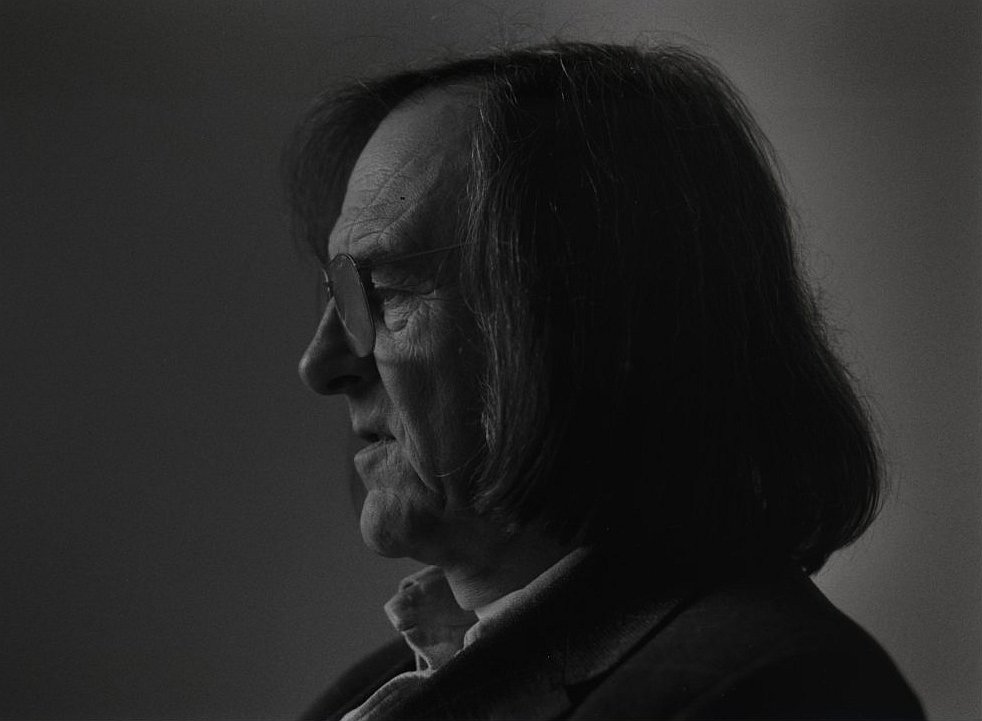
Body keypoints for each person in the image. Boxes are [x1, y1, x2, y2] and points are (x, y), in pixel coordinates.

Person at [287, 42, 924, 720]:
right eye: (340, 293)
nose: (320, 363)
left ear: (588, 321)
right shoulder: (366, 692)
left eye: (383, 290)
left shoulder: (776, 692)